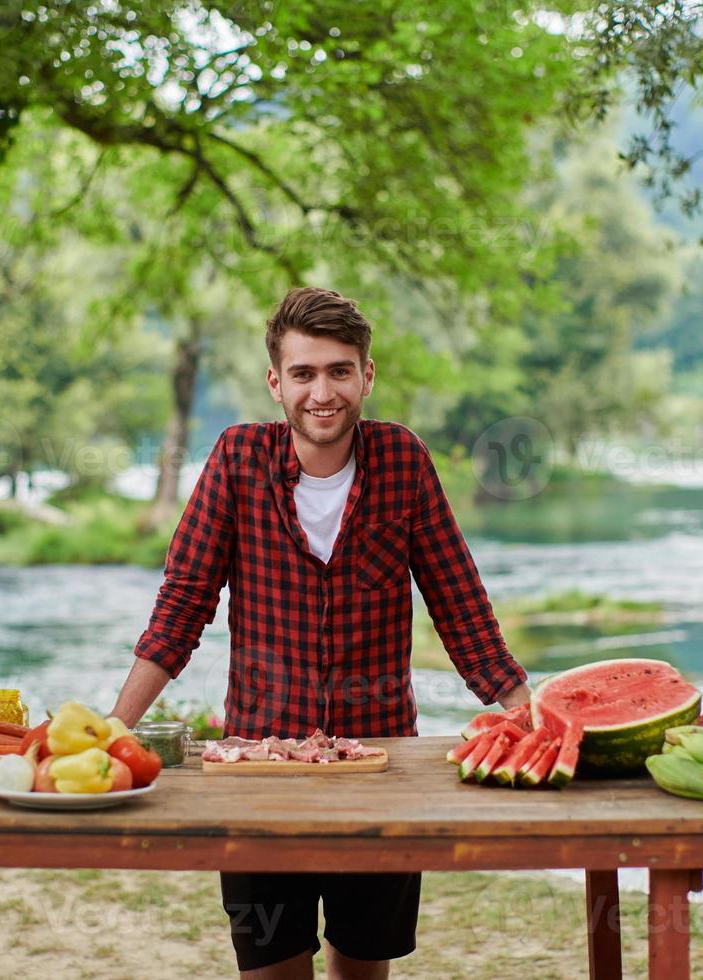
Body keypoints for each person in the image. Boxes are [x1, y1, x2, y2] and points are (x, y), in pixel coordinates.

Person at [109, 286, 531, 980]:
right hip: (257, 769)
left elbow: (461, 610)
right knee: (273, 967)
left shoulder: (403, 462)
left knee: (363, 969)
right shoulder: (237, 460)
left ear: (367, 376)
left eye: (339, 370)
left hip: (379, 766)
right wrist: (114, 728)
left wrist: (535, 719)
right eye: (303, 373)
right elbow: (181, 607)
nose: (322, 392)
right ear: (276, 383)